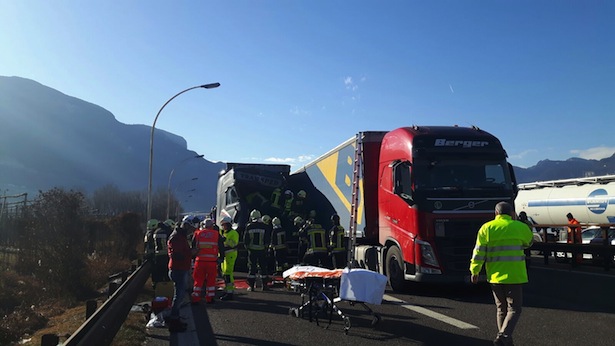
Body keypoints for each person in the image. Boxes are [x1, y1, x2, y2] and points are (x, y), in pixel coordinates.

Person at [470, 201, 533, 346]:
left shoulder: (487, 228)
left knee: (501, 309)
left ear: (496, 213)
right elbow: (529, 242)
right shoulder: (519, 227)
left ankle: (506, 340)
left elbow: (479, 252)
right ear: (511, 214)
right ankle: (503, 336)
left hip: (495, 276)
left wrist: (475, 270)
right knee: (515, 309)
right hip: (514, 275)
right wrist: (526, 225)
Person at [166, 216, 196, 333]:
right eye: (190, 228)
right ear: (186, 226)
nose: (190, 231)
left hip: (180, 268)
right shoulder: (177, 238)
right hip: (178, 269)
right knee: (179, 296)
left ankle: (175, 318)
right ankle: (173, 320)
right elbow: (176, 254)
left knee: (179, 295)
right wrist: (190, 253)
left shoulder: (180, 236)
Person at [190, 219, 223, 304]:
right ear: (212, 226)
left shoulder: (197, 233)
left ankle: (196, 297)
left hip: (199, 261)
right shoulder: (216, 234)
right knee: (211, 280)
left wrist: (193, 259)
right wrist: (221, 258)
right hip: (212, 262)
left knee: (198, 280)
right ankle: (210, 298)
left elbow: (193, 247)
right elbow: (221, 247)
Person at [244, 209, 271, 291]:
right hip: (262, 250)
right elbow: (267, 239)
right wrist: (266, 248)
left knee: (252, 268)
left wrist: (248, 248)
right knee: (263, 267)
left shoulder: (249, 226)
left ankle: (251, 286)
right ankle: (265, 286)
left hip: (252, 250)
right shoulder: (264, 226)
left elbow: (246, 240)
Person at [219, 216, 239, 301]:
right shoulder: (224, 232)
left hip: (230, 254)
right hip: (224, 255)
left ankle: (230, 293)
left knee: (228, 273)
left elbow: (233, 244)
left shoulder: (233, 233)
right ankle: (227, 290)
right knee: (224, 273)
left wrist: (225, 240)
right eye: (222, 225)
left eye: (224, 224)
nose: (223, 226)